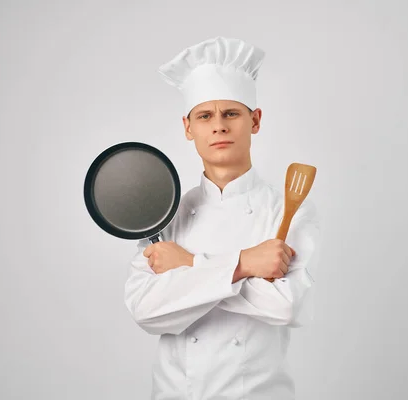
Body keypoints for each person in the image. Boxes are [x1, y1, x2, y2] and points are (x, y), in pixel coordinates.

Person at [124, 36, 322, 400]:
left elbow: (287, 305)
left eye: (231, 113)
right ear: (188, 128)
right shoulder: (163, 217)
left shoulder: (288, 210)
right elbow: (146, 310)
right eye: (205, 116)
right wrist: (246, 264)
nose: (218, 126)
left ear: (255, 120)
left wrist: (187, 265)